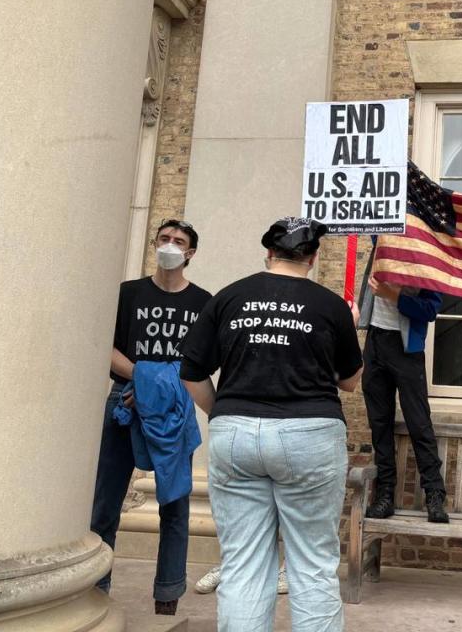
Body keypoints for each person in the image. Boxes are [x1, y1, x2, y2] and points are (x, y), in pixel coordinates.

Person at [179, 217, 362, 632]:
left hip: (235, 433)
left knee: (243, 563)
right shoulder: (329, 305)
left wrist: (222, 412)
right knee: (312, 565)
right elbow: (351, 381)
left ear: (268, 253)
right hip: (309, 434)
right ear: (312, 258)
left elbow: (190, 371)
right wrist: (346, 330)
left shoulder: (229, 297)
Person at [91, 219, 212, 616]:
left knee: (174, 506)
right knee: (104, 503)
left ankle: (167, 599)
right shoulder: (129, 294)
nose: (170, 245)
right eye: (164, 239)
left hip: (175, 409)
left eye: (179, 241)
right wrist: (145, 379)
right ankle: (94, 592)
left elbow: (200, 363)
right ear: (154, 243)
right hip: (124, 402)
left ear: (191, 253)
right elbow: (103, 348)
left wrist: (158, 383)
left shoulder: (203, 302)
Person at [360, 273, 449, 523]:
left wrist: (393, 295)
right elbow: (376, 236)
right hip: (376, 339)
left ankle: (434, 494)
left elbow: (430, 309)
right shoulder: (382, 238)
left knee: (418, 422)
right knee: (379, 423)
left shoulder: (426, 251)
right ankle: (385, 494)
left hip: (406, 348)